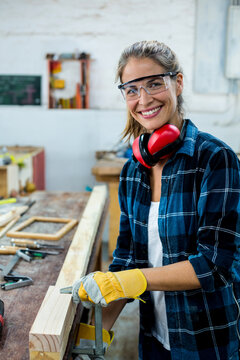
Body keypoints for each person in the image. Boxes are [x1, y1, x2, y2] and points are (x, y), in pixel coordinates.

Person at [73, 40, 240, 360]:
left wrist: (134, 280)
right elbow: (126, 262)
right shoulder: (133, 172)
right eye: (132, 90)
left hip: (206, 340)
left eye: (154, 84)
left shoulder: (215, 159)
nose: (144, 99)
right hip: (153, 339)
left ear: (177, 83)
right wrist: (92, 338)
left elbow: (214, 266)